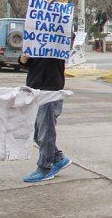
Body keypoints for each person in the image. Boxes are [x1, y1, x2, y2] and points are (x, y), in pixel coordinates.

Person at [17, 49, 71, 183]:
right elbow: (28, 64)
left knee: (46, 132)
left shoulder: (57, 43)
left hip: (50, 91)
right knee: (36, 131)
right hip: (34, 91)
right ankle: (58, 158)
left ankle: (44, 168)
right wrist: (23, 60)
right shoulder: (34, 41)